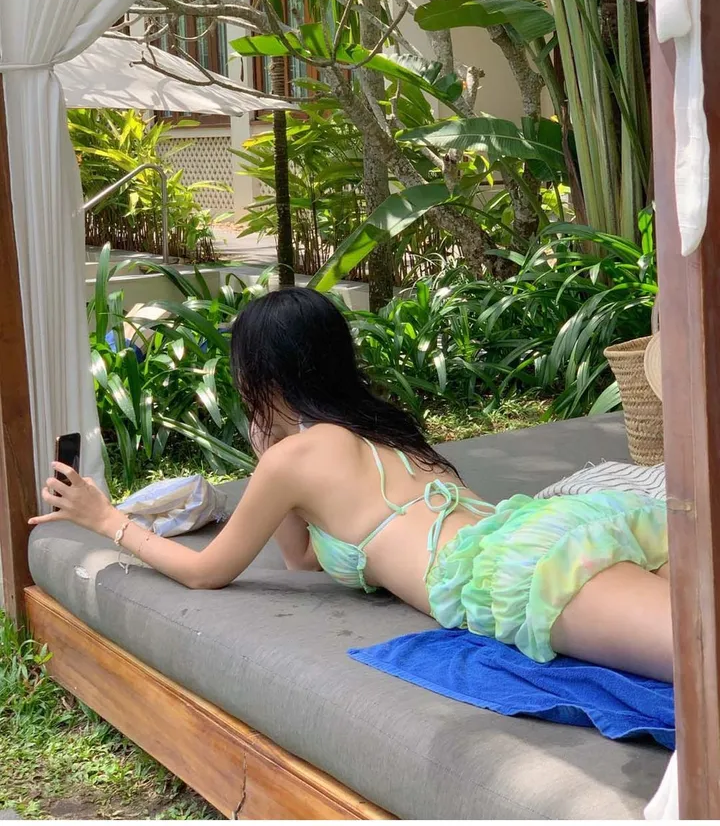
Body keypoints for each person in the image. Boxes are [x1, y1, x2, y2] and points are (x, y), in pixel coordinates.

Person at [30, 288, 673, 682]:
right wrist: (270, 453)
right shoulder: (380, 428)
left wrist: (107, 520)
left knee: (697, 657)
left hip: (506, 569)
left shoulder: (298, 457)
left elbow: (206, 572)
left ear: (261, 376)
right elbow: (303, 559)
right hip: (542, 527)